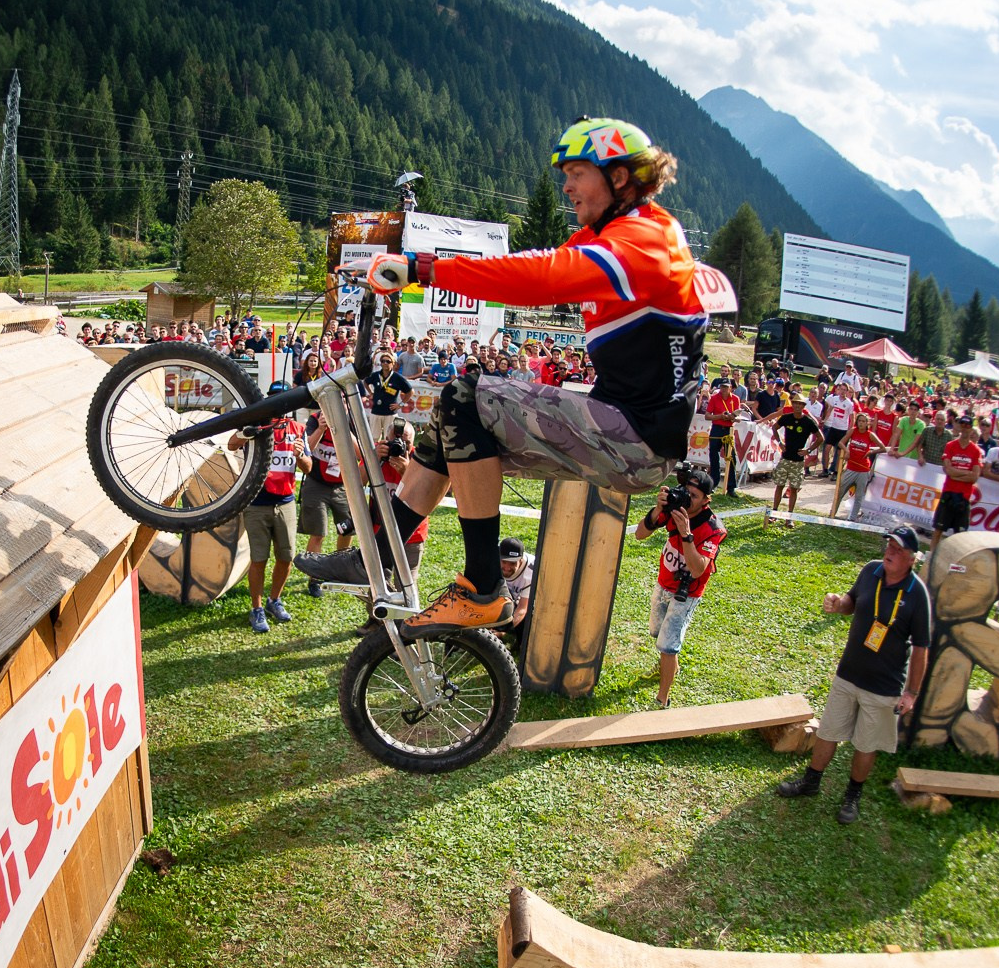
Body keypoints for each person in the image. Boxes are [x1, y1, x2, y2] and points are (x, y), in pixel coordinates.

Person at [298, 116, 708, 638]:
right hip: (628, 431)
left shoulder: (645, 240)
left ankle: (484, 585)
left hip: (635, 439)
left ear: (620, 178)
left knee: (464, 395)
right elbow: (540, 260)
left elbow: (539, 278)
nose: (566, 186)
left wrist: (423, 268)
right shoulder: (616, 234)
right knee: (448, 426)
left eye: (578, 172)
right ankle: (380, 551)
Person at [776, 525, 933, 824]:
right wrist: (839, 603)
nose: (890, 551)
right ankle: (811, 781)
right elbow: (852, 600)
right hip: (848, 673)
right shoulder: (871, 571)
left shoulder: (917, 595)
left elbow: (922, 648)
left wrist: (912, 692)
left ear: (913, 558)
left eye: (898, 550)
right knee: (829, 731)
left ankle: (852, 795)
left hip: (884, 686)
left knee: (866, 743)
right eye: (889, 545)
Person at [632, 464, 724, 709]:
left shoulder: (713, 528)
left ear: (707, 499)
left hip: (687, 592)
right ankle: (667, 666)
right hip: (664, 583)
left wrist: (686, 534)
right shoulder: (674, 508)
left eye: (694, 496)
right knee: (657, 633)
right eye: (686, 491)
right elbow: (639, 534)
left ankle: (663, 698)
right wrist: (657, 510)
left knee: (668, 645)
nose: (687, 498)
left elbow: (697, 569)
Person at [227, 384, 311, 633]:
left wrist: (300, 456)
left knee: (286, 558)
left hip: (285, 502)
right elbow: (232, 444)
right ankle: (256, 608)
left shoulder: (298, 429)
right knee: (259, 559)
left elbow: (308, 468)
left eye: (284, 401)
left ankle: (275, 599)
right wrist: (246, 434)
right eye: (275, 401)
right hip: (257, 503)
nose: (280, 406)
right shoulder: (257, 425)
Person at [296, 407, 356, 595]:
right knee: (318, 533)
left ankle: (339, 571)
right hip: (317, 483)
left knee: (346, 531)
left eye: (342, 401)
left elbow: (361, 454)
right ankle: (314, 579)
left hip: (342, 485)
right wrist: (321, 429)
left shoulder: (353, 419)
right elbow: (307, 450)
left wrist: (343, 427)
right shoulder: (315, 419)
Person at [766, 390, 822, 521]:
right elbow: (774, 427)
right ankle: (774, 513)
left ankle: (789, 516)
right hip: (785, 457)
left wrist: (808, 450)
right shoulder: (787, 417)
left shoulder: (808, 422)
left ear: (803, 406)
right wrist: (780, 442)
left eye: (800, 404)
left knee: (794, 489)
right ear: (793, 404)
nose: (797, 406)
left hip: (798, 461)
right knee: (779, 485)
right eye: (795, 403)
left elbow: (820, 438)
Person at [930, 415, 983, 552]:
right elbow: (948, 470)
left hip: (964, 497)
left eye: (968, 426)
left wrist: (956, 472)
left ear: (971, 429)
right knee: (938, 530)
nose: (965, 428)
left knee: (959, 536)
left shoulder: (976, 451)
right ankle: (931, 557)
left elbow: (974, 477)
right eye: (962, 425)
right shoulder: (950, 446)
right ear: (958, 426)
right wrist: (966, 473)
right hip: (948, 493)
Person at [830, 411, 886, 522]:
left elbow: (883, 448)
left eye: (863, 421)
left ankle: (852, 518)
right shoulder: (853, 431)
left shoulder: (870, 434)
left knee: (859, 496)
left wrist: (870, 452)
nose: (861, 423)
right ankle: (832, 514)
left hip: (863, 469)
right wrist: (847, 450)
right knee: (840, 491)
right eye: (859, 421)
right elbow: (841, 442)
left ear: (867, 423)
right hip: (851, 467)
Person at [705, 377, 741, 497]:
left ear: (731, 388)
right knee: (713, 456)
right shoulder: (715, 398)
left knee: (731, 457)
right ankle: (714, 483)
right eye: (722, 387)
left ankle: (731, 487)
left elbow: (738, 416)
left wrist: (732, 417)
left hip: (728, 430)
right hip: (716, 429)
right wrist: (720, 416)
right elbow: (707, 415)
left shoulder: (735, 399)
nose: (724, 389)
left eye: (726, 387)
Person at [499, 537, 538, 649]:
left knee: (526, 621)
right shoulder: (493, 561)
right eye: (504, 561)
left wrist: (506, 628)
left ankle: (516, 639)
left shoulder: (530, 572)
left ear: (520, 560)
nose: (507, 567)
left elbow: (522, 609)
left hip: (530, 603)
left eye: (512, 563)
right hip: (508, 596)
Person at [366, 350, 412, 443]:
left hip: (390, 413)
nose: (385, 363)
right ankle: (375, 457)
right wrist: (371, 393)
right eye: (383, 361)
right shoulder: (376, 375)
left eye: (388, 361)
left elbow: (410, 391)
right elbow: (366, 382)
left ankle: (387, 457)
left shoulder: (397, 378)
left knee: (390, 438)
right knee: (373, 439)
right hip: (376, 411)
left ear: (393, 364)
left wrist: (401, 404)